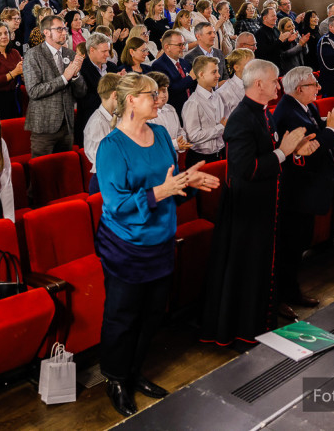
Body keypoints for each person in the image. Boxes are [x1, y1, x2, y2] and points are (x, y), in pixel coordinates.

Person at [95, 73, 220, 416]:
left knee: (151, 315)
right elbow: (116, 205)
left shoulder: (163, 134)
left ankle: (134, 372)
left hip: (161, 240)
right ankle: (116, 378)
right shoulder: (111, 147)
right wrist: (159, 192)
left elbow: (172, 188)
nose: (160, 98)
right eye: (152, 94)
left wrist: (188, 183)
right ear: (131, 101)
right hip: (126, 246)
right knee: (122, 317)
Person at [201, 60, 318, 348]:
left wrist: (293, 151)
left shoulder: (263, 113)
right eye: (275, 81)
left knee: (262, 267)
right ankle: (243, 332)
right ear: (259, 84)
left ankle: (260, 327)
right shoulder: (243, 118)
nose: (279, 85)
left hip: (263, 205)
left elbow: (270, 154)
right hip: (247, 209)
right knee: (249, 271)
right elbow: (246, 169)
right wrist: (283, 152)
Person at [272, 67, 334, 309]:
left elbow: (315, 130)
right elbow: (311, 149)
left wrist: (329, 122)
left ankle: (290, 291)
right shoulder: (288, 112)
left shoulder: (305, 106)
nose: (319, 88)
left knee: (299, 243)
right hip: (296, 191)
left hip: (308, 187)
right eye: (313, 85)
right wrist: (332, 128)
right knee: (290, 247)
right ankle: (284, 295)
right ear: (298, 89)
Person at [23, 14, 87, 157]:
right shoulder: (33, 55)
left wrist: (76, 76)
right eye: (59, 29)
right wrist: (65, 78)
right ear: (46, 32)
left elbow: (81, 93)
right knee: (43, 174)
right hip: (44, 127)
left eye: (64, 28)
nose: (64, 32)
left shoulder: (70, 54)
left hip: (67, 125)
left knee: (65, 172)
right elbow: (34, 91)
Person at [181, 56, 227, 168]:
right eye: (214, 72)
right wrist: (221, 128)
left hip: (220, 153)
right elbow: (193, 136)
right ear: (201, 75)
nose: (218, 76)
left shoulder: (217, 97)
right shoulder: (193, 103)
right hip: (201, 159)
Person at [74, 33, 116, 146]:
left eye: (108, 50)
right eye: (104, 51)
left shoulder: (112, 67)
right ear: (92, 50)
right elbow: (85, 100)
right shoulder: (81, 69)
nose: (108, 54)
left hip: (115, 124)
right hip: (91, 124)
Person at [83, 73, 121, 194]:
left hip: (117, 177)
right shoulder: (97, 123)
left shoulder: (117, 115)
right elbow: (101, 159)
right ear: (115, 95)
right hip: (105, 182)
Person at [150, 31, 196, 115]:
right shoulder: (158, 65)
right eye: (179, 45)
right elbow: (171, 89)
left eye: (183, 44)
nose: (183, 47)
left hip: (191, 109)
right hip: (173, 112)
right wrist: (190, 78)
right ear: (167, 47)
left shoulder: (184, 62)